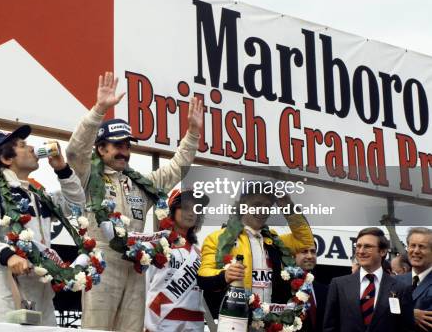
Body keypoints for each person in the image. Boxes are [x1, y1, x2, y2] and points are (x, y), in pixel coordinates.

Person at [66, 71, 203, 332]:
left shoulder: (141, 183)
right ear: (101, 149)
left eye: (127, 146)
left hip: (136, 267)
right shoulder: (86, 176)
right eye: (117, 145)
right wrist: (98, 111)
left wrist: (193, 134)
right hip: (102, 262)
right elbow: (74, 151)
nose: (124, 151)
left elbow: (176, 168)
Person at [0, 125, 85, 325]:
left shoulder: (39, 196)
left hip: (44, 294)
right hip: (8, 293)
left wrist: (62, 168)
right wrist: (8, 255)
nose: (32, 148)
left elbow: (76, 205)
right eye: (23, 145)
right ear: (7, 159)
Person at [197, 184, 314, 318]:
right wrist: (224, 275)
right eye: (257, 205)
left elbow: (305, 241)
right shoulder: (218, 238)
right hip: (235, 318)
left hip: (270, 322)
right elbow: (203, 278)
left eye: (267, 207)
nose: (262, 210)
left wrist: (288, 206)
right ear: (242, 205)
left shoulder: (275, 241)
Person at [323, 227, 414, 332]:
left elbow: (406, 328)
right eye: (358, 246)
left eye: (367, 247)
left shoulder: (401, 288)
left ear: (383, 251)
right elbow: (329, 327)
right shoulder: (338, 285)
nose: (361, 251)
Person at [144, 190, 208, 332]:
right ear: (172, 210)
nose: (191, 213)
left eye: (196, 209)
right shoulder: (155, 246)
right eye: (185, 208)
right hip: (161, 322)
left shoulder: (199, 254)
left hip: (195, 323)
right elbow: (143, 287)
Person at [396, 227, 432, 331]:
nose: (416, 251)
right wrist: (410, 314)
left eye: (422, 247)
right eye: (412, 246)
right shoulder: (394, 281)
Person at [295, 244, 328, 332]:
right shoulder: (282, 287)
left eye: (313, 252)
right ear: (293, 255)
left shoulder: (326, 290)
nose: (310, 256)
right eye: (304, 251)